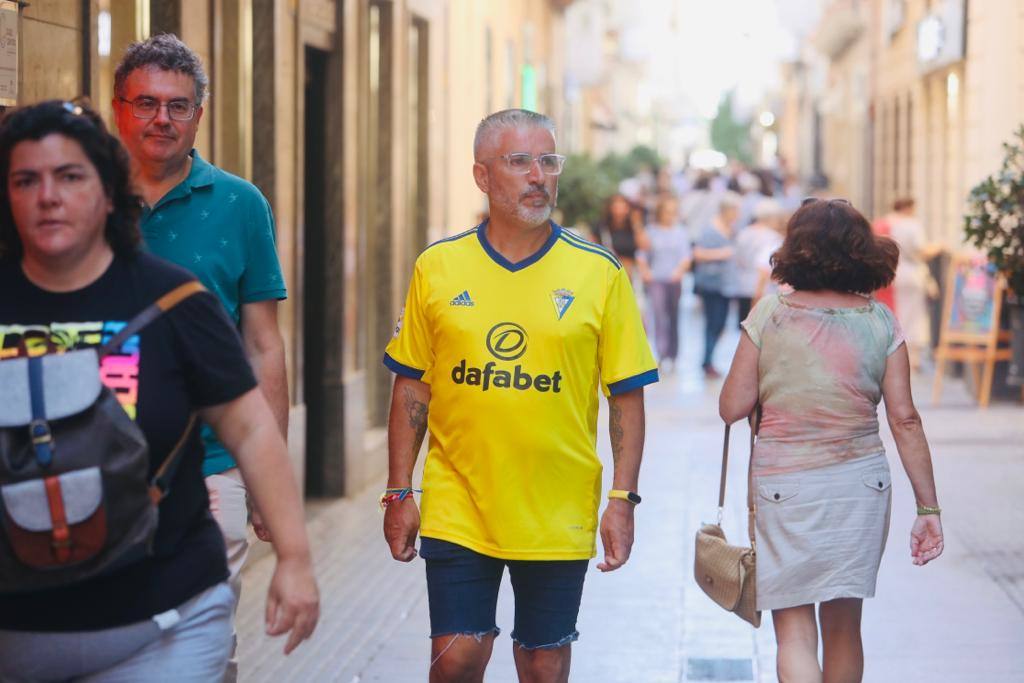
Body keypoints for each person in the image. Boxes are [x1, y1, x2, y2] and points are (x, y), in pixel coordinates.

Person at [0, 100, 318, 680]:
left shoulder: (174, 301)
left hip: (165, 618)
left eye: (69, 177)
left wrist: (294, 558)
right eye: (26, 180)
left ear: (107, 191)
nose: (48, 195)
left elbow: (249, 427)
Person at [382, 109, 658, 683]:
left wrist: (623, 498)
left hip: (556, 507)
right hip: (460, 501)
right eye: (519, 162)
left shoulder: (598, 272)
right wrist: (398, 490)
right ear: (482, 177)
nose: (539, 175)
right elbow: (413, 384)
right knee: (457, 655)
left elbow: (626, 396)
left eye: (548, 161)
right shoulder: (438, 266)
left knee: (542, 664)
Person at [111, 34, 288, 679]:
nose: (162, 118)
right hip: (96, 462)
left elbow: (264, 342)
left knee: (201, 640)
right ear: (118, 108)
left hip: (212, 465)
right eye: (147, 103)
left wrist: (270, 474)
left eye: (178, 106)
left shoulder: (241, 204)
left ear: (199, 115)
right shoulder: (79, 197)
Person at [719, 198, 943, 683]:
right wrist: (928, 509)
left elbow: (731, 407)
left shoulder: (771, 314)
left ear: (795, 249)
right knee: (844, 627)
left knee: (795, 632)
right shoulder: (880, 321)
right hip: (861, 486)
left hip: (786, 486)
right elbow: (905, 420)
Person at [638, 194, 692, 372]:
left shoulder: (681, 231)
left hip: (674, 279)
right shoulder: (651, 231)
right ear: (660, 213)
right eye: (667, 212)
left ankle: (674, 354)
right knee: (659, 316)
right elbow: (642, 254)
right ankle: (661, 354)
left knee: (674, 316)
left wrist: (679, 271)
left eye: (673, 212)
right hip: (656, 280)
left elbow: (686, 255)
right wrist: (646, 272)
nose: (670, 215)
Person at [886, 198, 940, 371]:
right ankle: (913, 358)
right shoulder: (912, 225)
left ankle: (904, 354)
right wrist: (940, 247)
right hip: (914, 274)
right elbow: (921, 250)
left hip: (899, 272)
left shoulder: (895, 225)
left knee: (904, 314)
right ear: (909, 208)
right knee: (916, 316)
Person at [693, 192, 740, 378]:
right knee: (713, 323)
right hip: (712, 284)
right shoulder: (710, 229)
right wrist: (723, 253)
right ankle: (707, 361)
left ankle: (709, 359)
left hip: (726, 284)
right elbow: (697, 253)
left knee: (720, 323)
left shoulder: (731, 228)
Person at [729, 198, 785, 323]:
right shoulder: (773, 238)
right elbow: (768, 268)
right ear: (771, 217)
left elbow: (737, 258)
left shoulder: (743, 233)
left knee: (743, 328)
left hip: (742, 285)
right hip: (763, 290)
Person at [590, 193, 648, 282]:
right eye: (616, 208)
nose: (619, 212)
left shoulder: (632, 227)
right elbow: (592, 249)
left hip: (631, 276)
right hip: (608, 274)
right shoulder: (602, 227)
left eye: (623, 208)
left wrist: (636, 223)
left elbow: (644, 246)